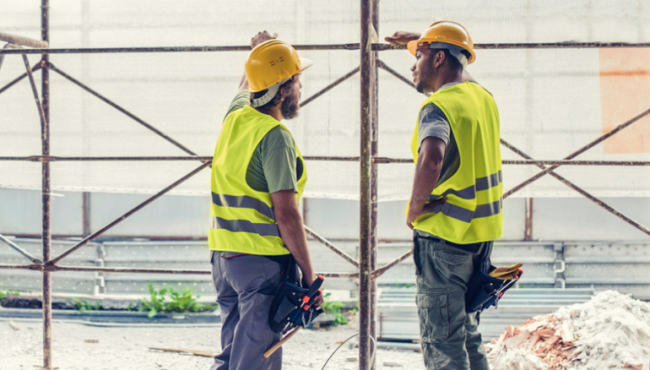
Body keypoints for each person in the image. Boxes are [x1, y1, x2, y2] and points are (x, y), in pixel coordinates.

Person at [385, 21, 503, 370]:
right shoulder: (482, 98)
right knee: (468, 334)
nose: (412, 65)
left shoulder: (437, 107)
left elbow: (432, 156)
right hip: (479, 239)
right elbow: (459, 69)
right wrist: (418, 43)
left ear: (438, 59)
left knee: (442, 344)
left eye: (418, 57)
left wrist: (414, 207)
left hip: (444, 240)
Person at [208, 31, 323, 370]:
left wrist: (260, 53)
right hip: (260, 264)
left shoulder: (236, 116)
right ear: (285, 88)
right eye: (298, 82)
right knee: (255, 361)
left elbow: (246, 86)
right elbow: (286, 215)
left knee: (232, 356)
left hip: (225, 259)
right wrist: (309, 275)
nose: (301, 90)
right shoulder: (275, 138)